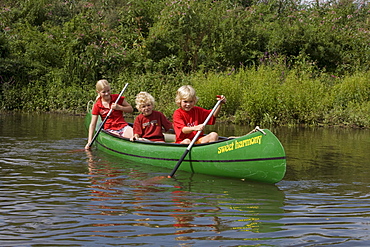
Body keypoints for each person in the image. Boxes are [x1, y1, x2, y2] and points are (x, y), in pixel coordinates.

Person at [85, 79, 133, 150]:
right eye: (104, 92)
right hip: (110, 129)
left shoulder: (117, 98)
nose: (107, 93)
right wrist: (89, 141)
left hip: (123, 126)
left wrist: (119, 107)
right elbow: (92, 124)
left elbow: (130, 109)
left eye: (108, 91)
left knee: (135, 137)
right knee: (119, 139)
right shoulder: (97, 105)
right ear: (98, 92)